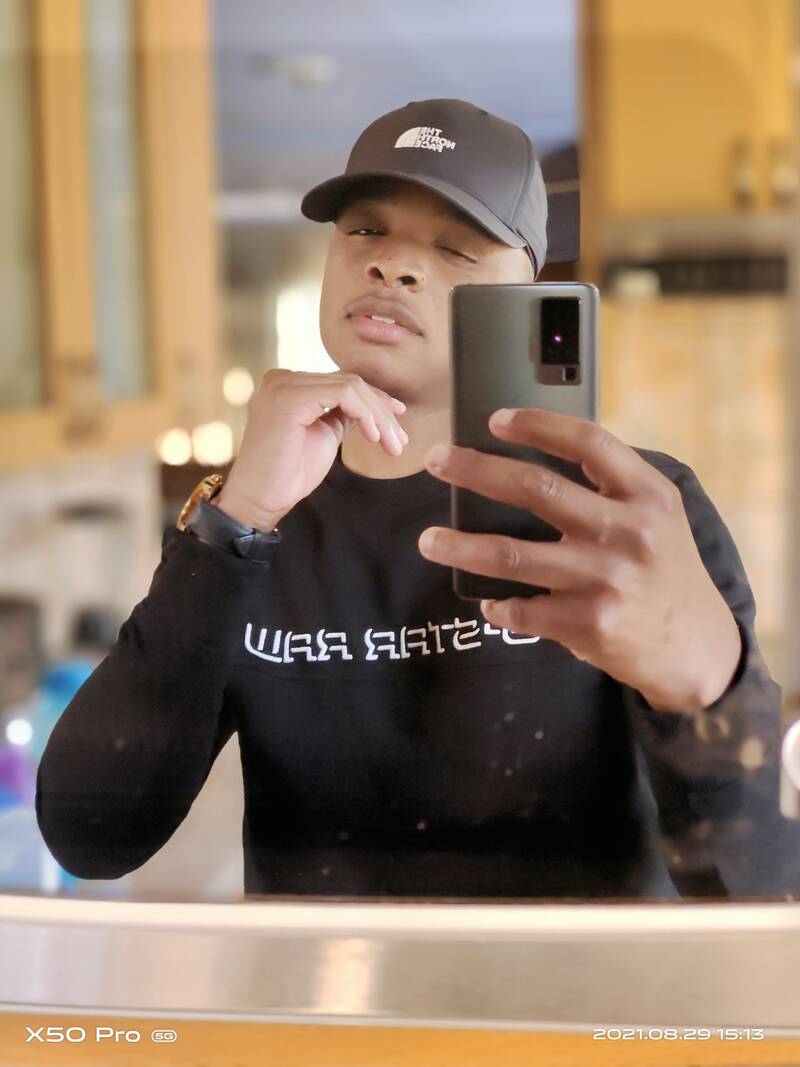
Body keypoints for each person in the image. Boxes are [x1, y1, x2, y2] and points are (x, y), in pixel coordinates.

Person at [36, 99, 790, 899]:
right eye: (365, 230)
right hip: (318, 983)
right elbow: (91, 834)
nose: (392, 263)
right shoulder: (252, 523)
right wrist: (234, 523)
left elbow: (758, 894)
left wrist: (707, 687)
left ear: (527, 293)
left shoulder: (626, 510)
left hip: (576, 983)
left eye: (456, 247)